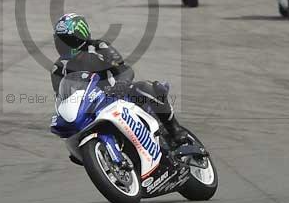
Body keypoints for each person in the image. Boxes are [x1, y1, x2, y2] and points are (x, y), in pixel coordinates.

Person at [51, 13, 189, 145]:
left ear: (81, 37)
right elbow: (62, 98)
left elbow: (124, 70)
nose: (64, 46)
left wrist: (121, 84)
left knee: (146, 88)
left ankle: (174, 128)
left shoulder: (99, 48)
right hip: (89, 107)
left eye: (68, 41)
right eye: (61, 42)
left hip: (116, 95)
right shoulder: (58, 69)